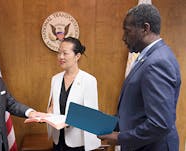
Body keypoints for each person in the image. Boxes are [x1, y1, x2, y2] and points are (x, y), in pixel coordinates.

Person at [97, 4, 181, 151]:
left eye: (127, 31)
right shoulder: (148, 57)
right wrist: (106, 122)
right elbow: (137, 110)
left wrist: (119, 138)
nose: (123, 38)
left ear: (145, 28)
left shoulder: (157, 62)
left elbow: (160, 124)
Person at [47, 37, 101, 151]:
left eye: (65, 53)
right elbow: (53, 106)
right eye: (59, 53)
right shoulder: (55, 79)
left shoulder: (89, 80)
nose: (61, 57)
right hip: (58, 141)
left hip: (77, 143)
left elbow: (91, 115)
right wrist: (48, 114)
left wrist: (69, 120)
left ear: (77, 56)